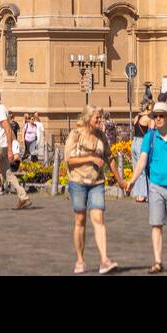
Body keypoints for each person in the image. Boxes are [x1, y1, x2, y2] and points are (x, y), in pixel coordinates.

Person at [125, 101, 167, 273]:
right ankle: (157, 261)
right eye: (156, 116)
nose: (158, 119)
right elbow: (142, 160)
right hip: (155, 186)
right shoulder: (150, 137)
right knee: (156, 224)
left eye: (161, 115)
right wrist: (132, 180)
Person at [63, 108, 124, 274]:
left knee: (99, 219)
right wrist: (90, 158)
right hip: (78, 182)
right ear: (88, 118)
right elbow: (69, 159)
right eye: (97, 117)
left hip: (96, 182)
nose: (100, 120)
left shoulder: (101, 136)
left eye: (101, 118)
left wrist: (120, 181)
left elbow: (109, 157)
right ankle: (80, 260)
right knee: (80, 220)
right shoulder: (75, 134)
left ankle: (104, 260)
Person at [130, 110, 151, 203]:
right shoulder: (147, 118)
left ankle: (138, 194)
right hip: (142, 142)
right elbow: (151, 131)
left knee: (136, 169)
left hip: (134, 142)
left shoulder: (136, 117)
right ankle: (143, 195)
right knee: (142, 170)